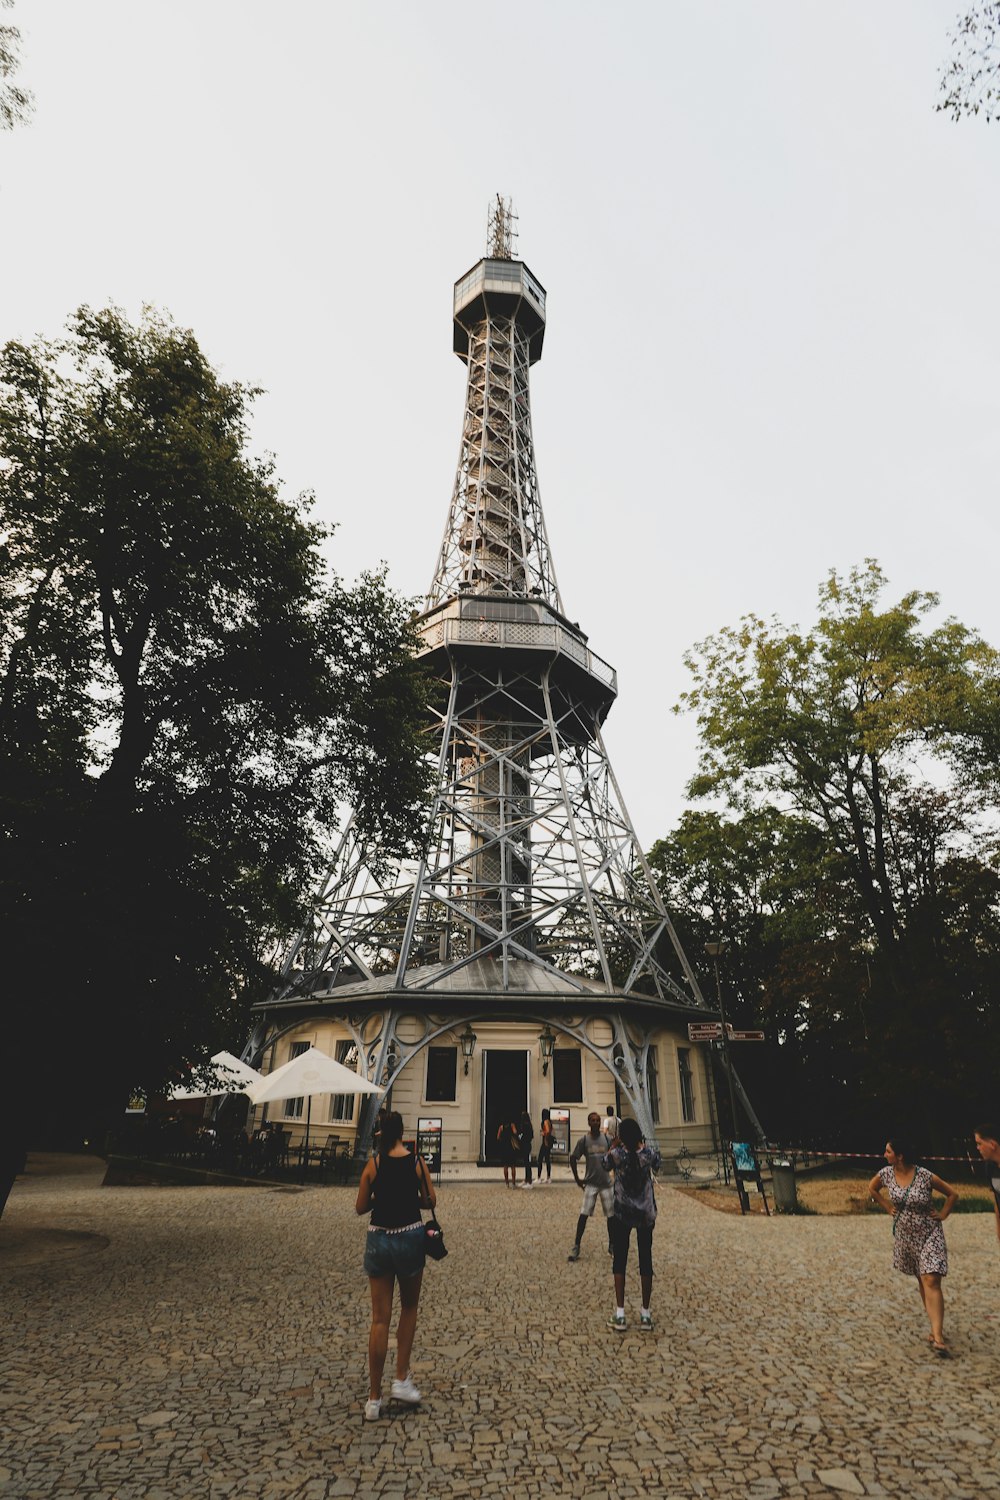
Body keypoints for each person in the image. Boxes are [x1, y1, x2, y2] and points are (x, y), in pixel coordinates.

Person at [355, 1110, 436, 1420]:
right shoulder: (416, 1162)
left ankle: (373, 1400)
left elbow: (361, 1206)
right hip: (410, 1237)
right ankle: (401, 1378)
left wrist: (382, 1197)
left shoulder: (373, 1164)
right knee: (410, 1308)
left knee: (379, 1320)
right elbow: (430, 1200)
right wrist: (409, 1197)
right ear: (403, 1132)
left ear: (380, 1134)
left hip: (379, 1241)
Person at [868, 1136, 958, 1356]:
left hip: (929, 1233)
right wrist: (887, 1206)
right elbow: (872, 1189)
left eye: (888, 1151)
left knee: (931, 1278)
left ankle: (938, 1337)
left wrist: (943, 1214)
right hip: (906, 1236)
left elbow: (952, 1194)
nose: (884, 1155)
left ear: (900, 1155)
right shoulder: (886, 1174)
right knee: (922, 1279)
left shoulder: (925, 1175)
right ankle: (934, 1326)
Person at [603, 1117, 661, 1331]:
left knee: (620, 1260)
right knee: (646, 1260)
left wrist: (614, 1146)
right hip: (645, 1213)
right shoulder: (647, 1154)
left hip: (623, 1213)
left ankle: (620, 1313)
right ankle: (645, 1314)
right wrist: (643, 1147)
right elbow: (658, 1163)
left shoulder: (618, 1155)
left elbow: (604, 1163)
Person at [568, 1112, 613, 1260]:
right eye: (593, 1120)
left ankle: (612, 1245)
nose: (595, 1123)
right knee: (584, 1214)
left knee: (611, 1216)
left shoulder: (607, 1139)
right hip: (591, 1183)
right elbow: (573, 1158)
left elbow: (617, 1151)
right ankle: (576, 1245)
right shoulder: (584, 1140)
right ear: (588, 1123)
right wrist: (577, 1179)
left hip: (606, 1183)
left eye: (598, 1120)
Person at [973, 1123, 1000, 1246]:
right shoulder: (990, 1167)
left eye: (979, 1143)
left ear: (992, 1145)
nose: (978, 1148)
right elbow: (996, 1199)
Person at [497, 1119, 520, 1187]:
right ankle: (513, 1183)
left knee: (505, 1166)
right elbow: (515, 1132)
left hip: (504, 1147)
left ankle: (507, 1183)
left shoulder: (501, 1127)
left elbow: (498, 1137)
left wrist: (503, 1139)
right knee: (513, 1166)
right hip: (511, 1147)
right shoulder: (512, 1125)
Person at [535, 1107, 554, 1184]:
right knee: (547, 1160)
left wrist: (544, 1133)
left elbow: (548, 1131)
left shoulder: (545, 1122)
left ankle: (539, 1178)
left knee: (540, 1160)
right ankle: (548, 1178)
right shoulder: (549, 1121)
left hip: (545, 1143)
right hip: (548, 1143)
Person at [518, 1110, 534, 1187]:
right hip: (528, 1145)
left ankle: (529, 1181)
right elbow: (531, 1136)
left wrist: (520, 1138)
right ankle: (527, 1179)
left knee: (527, 1163)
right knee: (526, 1162)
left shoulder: (525, 1125)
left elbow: (522, 1135)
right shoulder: (529, 1125)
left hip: (525, 1145)